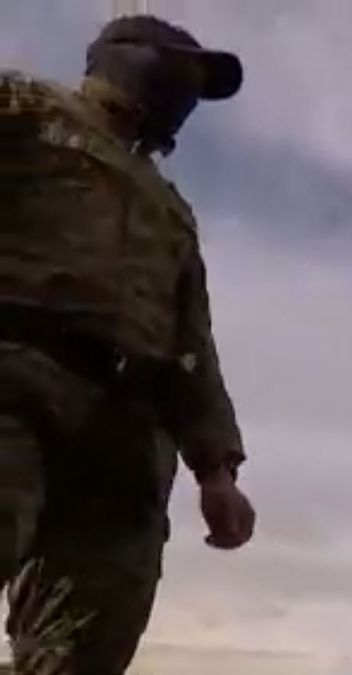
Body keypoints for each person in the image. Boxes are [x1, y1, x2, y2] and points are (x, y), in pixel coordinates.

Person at [0, 14, 256, 674]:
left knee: (83, 642)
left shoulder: (171, 211)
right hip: (16, 385)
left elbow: (193, 344)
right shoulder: (25, 109)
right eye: (185, 76)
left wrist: (217, 470)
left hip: (126, 437)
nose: (189, 99)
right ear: (136, 60)